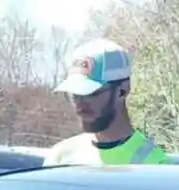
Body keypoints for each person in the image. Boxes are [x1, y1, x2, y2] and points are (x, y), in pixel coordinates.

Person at [45, 38, 172, 168]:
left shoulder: (153, 164)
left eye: (90, 93)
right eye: (75, 95)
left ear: (123, 90)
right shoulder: (60, 157)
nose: (79, 104)